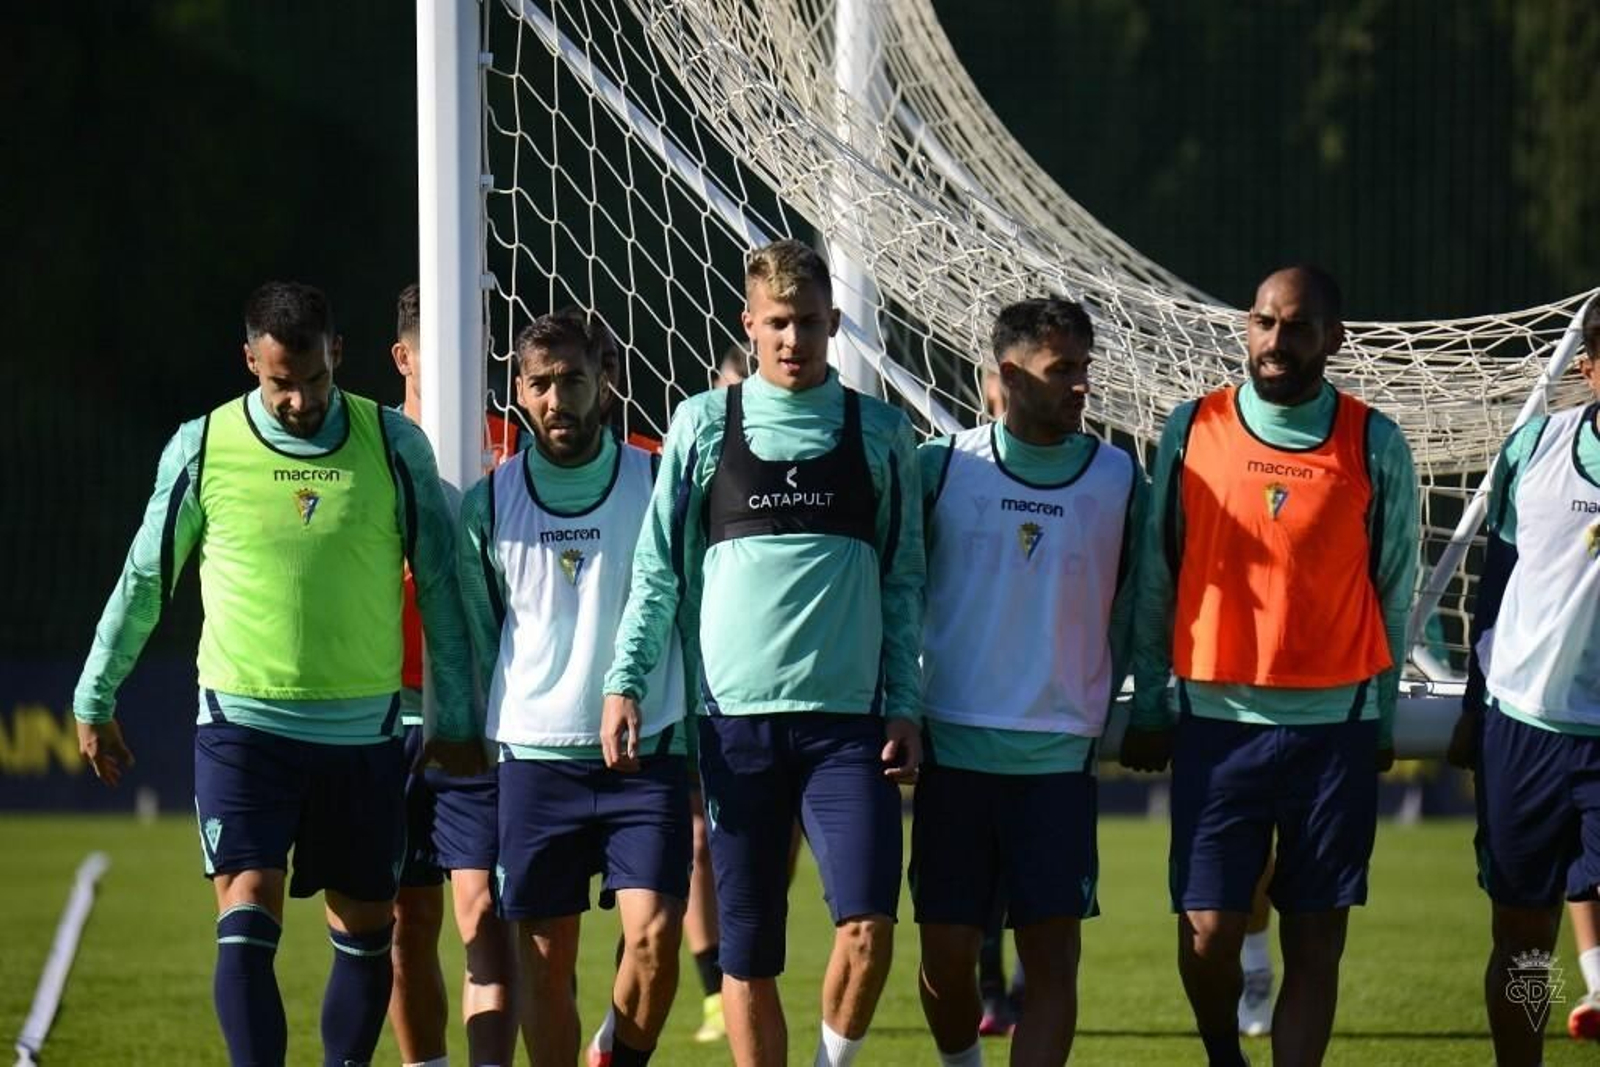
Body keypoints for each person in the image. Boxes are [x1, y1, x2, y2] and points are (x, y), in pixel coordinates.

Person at [73, 281, 483, 1066]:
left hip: (362, 730)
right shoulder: (203, 444)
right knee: (248, 902)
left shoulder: (394, 444)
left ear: (339, 353)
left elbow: (438, 585)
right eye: (280, 382)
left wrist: (456, 716)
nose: (299, 400)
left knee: (368, 925)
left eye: (314, 379)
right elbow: (146, 577)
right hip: (243, 723)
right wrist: (96, 691)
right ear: (249, 361)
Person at [601, 238, 924, 1067]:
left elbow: (904, 579)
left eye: (808, 322)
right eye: (777, 322)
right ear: (749, 323)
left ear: (834, 323)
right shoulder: (704, 422)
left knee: (869, 928)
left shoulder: (881, 432)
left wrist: (904, 702)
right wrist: (625, 680)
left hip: (848, 728)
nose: (793, 339)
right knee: (747, 956)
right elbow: (658, 570)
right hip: (734, 724)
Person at [1122, 266, 1418, 1067]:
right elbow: (1157, 575)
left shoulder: (1374, 441)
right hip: (1218, 726)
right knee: (1207, 931)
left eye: (1296, 326)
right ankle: (1225, 1055)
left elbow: (1393, 589)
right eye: (1263, 322)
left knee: (1316, 939)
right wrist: (1149, 701)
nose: (1275, 341)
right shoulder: (1193, 428)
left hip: (1336, 731)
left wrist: (1383, 717)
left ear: (1334, 338)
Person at [913, 297, 1145, 1066]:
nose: (1081, 384)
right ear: (1009, 376)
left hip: (1058, 760)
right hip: (953, 753)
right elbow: (896, 592)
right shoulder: (941, 466)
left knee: (1052, 965)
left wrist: (1137, 695)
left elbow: (1142, 605)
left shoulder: (1120, 478)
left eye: (1084, 367)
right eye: (1061, 369)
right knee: (945, 958)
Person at [459, 311, 692, 1067]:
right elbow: (481, 632)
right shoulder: (489, 503)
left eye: (572, 380)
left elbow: (684, 613)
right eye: (539, 384)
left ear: (607, 379)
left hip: (646, 752)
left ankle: (614, 1054)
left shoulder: (654, 481)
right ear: (519, 390)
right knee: (544, 962)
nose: (556, 399)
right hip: (535, 760)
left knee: (655, 939)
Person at [1446, 297, 1600, 1066]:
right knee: (1524, 938)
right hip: (1524, 726)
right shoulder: (1536, 445)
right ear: (1590, 368)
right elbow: (1496, 583)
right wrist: (1475, 707)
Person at [387, 283, 520, 1066]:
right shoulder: (372, 450)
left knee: (486, 911)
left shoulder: (513, 448)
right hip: (391, 716)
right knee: (408, 922)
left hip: (484, 717)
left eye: (473, 348)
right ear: (403, 357)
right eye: (438, 350)